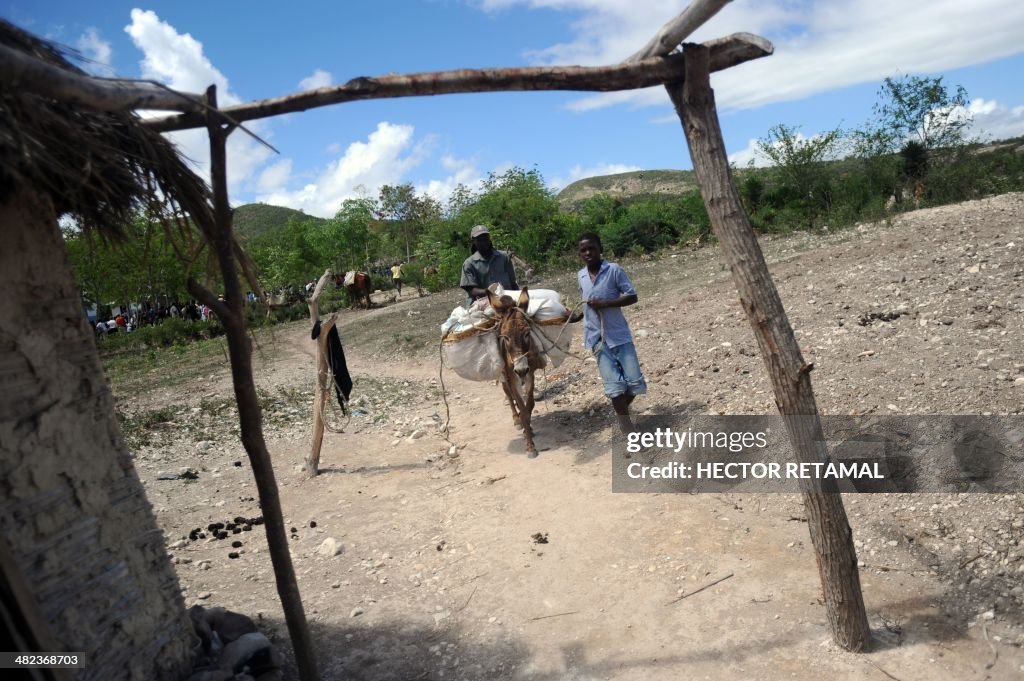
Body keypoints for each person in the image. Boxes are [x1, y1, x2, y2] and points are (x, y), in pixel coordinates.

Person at [576, 231, 647, 435]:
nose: (588, 252)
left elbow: (632, 296)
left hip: (619, 335)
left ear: (600, 249)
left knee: (634, 384)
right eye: (583, 250)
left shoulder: (614, 270)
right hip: (596, 338)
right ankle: (627, 429)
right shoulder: (581, 276)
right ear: (580, 254)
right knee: (614, 388)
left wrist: (606, 303)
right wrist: (576, 316)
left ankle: (620, 413)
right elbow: (585, 302)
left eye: (592, 248)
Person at [460, 224, 518, 306]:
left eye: (486, 238)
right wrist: (488, 292)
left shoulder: (504, 257)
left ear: (489, 238)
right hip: (482, 304)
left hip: (507, 301)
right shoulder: (469, 264)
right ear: (473, 241)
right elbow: (471, 290)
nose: (484, 241)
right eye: (480, 239)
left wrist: (517, 298)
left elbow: (513, 284)